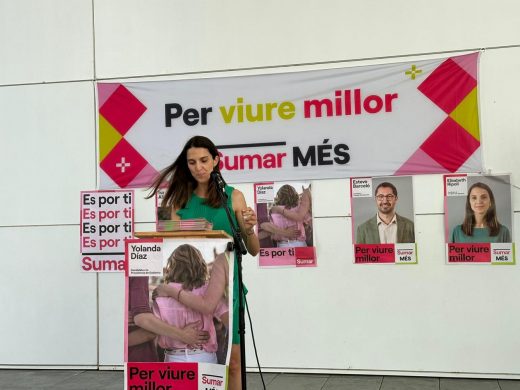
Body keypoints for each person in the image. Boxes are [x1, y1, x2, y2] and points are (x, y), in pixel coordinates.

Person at [147, 135, 259, 390]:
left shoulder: (235, 197)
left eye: (204, 160)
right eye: (192, 162)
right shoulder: (177, 201)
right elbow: (168, 246)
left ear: (216, 160)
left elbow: (253, 250)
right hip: (188, 288)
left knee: (234, 362)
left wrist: (250, 229)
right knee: (201, 367)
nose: (199, 167)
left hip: (227, 290)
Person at [153, 244, 228, 363]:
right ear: (200, 265)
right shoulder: (210, 291)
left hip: (173, 358)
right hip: (204, 356)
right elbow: (228, 320)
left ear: (172, 266)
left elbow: (153, 330)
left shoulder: (161, 293)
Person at [127, 276, 210, 362]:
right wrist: (183, 335)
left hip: (170, 358)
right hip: (204, 355)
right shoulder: (207, 291)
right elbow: (149, 330)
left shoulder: (161, 297)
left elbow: (149, 329)